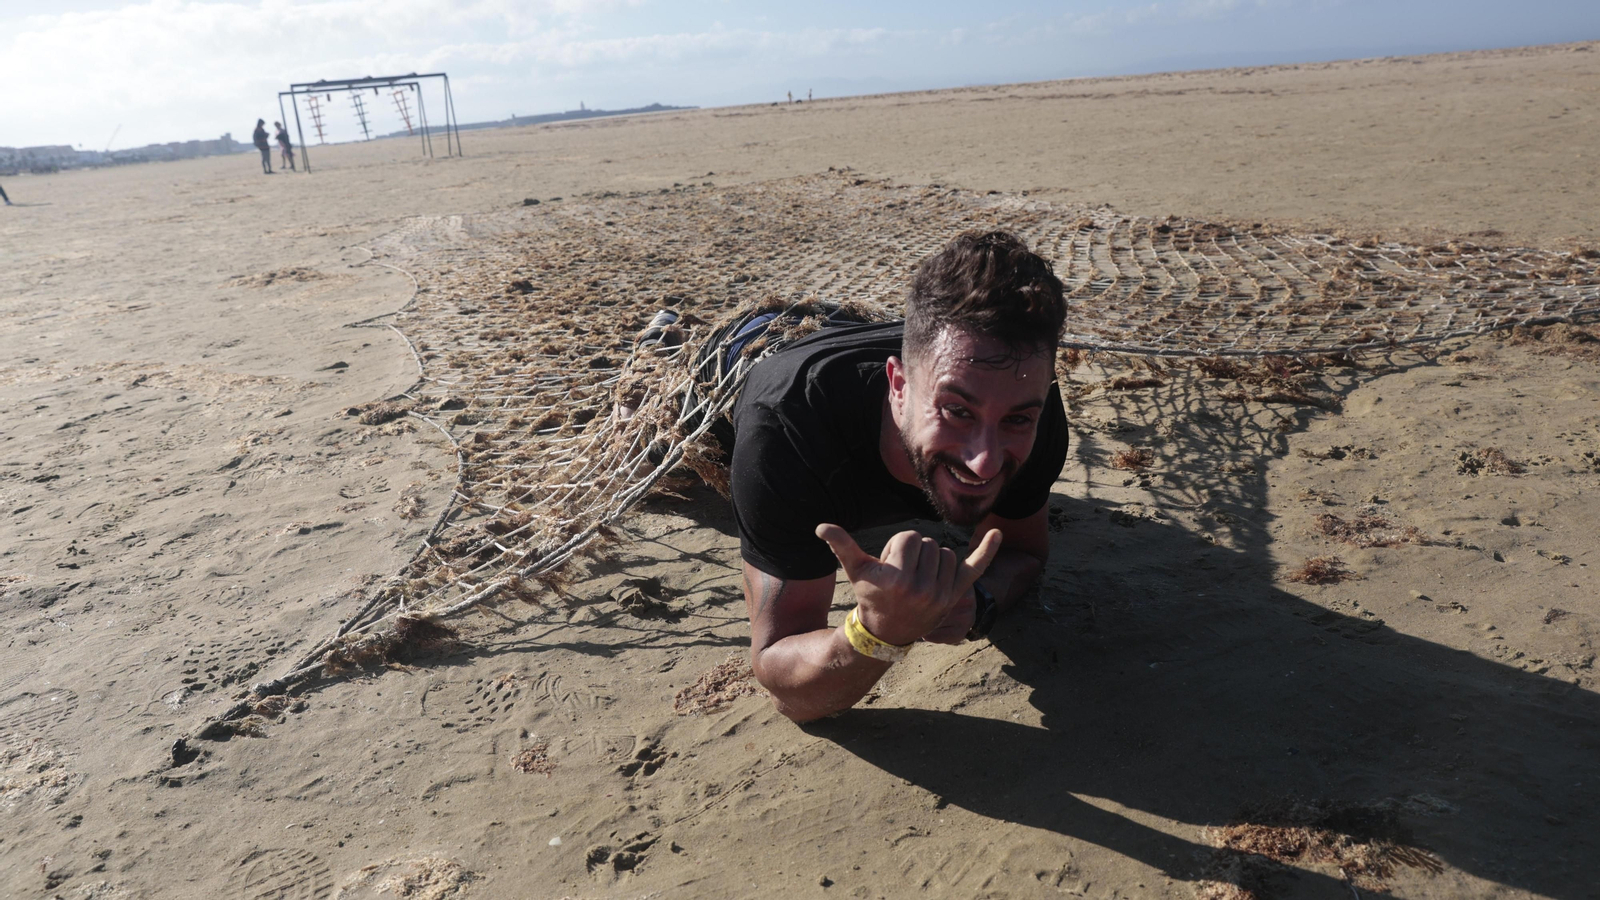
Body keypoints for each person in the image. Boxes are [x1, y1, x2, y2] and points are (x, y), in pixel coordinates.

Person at [730, 231, 1069, 722]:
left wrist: (977, 600)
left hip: (848, 329)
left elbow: (1024, 550)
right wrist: (875, 633)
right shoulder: (785, 433)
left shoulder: (1029, 406)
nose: (985, 462)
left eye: (1017, 420)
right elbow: (787, 686)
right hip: (742, 355)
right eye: (957, 411)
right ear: (899, 387)